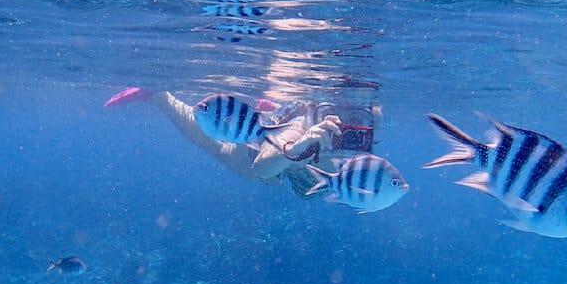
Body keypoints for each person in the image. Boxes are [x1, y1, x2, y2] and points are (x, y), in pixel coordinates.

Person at [105, 88, 380, 196]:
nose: (351, 128)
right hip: (249, 156)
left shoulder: (364, 120)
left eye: (355, 117)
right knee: (200, 132)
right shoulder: (304, 129)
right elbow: (260, 169)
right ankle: (156, 95)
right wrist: (297, 147)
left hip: (296, 170)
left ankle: (269, 112)